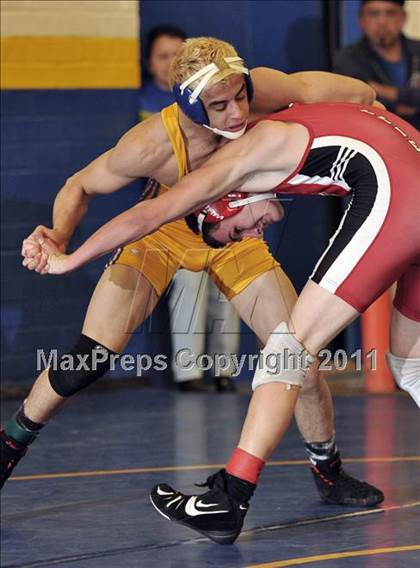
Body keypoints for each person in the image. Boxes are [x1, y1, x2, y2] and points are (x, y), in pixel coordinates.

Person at [3, 38, 381, 521]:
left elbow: (340, 92)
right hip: (158, 234)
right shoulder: (152, 145)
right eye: (218, 105)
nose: (236, 113)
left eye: (240, 96)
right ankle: (10, 444)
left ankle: (329, 471)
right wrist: (59, 234)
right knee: (89, 358)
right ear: (187, 102)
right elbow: (81, 184)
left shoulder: (261, 90)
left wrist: (376, 107)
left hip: (234, 235)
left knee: (297, 356)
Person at [45, 95, 420, 544]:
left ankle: (228, 497)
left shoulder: (234, 164)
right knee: (409, 365)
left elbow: (147, 215)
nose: (253, 235)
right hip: (408, 167)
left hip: (399, 197)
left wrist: (70, 260)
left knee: (288, 351)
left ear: (223, 204)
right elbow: (357, 92)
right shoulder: (281, 102)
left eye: (234, 231)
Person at [138, 26, 239, 392]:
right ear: (149, 63)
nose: (170, 64)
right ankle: (189, 371)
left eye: (177, 56)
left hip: (219, 203)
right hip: (175, 209)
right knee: (187, 287)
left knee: (227, 284)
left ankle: (225, 368)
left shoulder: (215, 99)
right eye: (162, 56)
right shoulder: (148, 104)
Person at [334, 0, 420, 129]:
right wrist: (404, 101)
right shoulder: (348, 58)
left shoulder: (417, 50)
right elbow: (358, 101)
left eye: (390, 13)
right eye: (374, 14)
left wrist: (377, 88)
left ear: (403, 18)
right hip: (375, 134)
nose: (382, 22)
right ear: (361, 20)